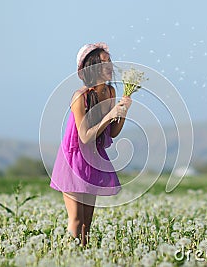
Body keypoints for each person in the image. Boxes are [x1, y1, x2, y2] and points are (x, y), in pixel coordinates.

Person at [50, 42, 132, 246]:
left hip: (94, 158)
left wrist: (123, 112)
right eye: (103, 63)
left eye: (109, 61)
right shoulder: (81, 96)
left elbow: (112, 132)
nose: (109, 66)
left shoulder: (110, 93)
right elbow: (85, 136)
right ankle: (69, 257)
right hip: (74, 160)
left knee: (87, 223)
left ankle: (83, 257)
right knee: (76, 220)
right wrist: (110, 115)